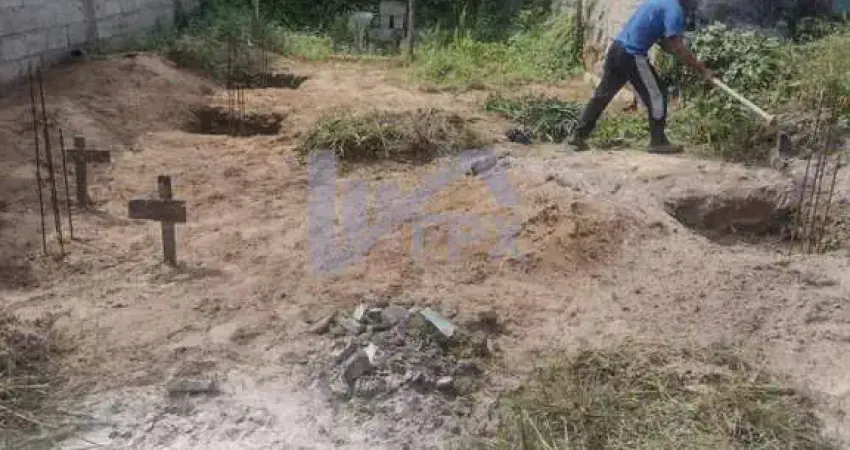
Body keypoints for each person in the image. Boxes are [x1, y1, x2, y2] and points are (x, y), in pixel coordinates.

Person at [565, 0, 714, 154]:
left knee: (602, 95)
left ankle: (578, 136)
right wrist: (702, 70)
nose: (697, 4)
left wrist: (676, 51)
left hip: (617, 49)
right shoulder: (675, 11)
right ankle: (658, 141)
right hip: (632, 54)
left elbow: (662, 39)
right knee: (657, 94)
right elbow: (677, 46)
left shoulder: (660, 2)